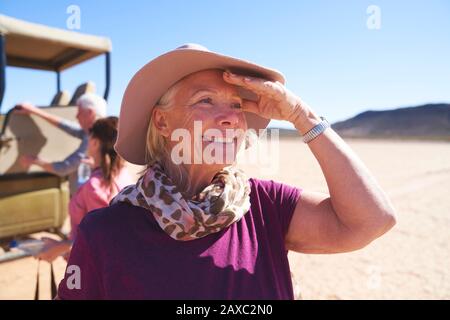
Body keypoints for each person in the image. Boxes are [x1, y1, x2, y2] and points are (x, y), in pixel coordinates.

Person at [57, 44, 397, 299]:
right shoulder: (106, 232)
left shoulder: (265, 206)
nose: (231, 118)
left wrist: (302, 117)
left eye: (236, 105)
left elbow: (372, 220)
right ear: (161, 121)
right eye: (206, 101)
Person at [35, 116, 133, 262]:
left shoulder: (94, 186)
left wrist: (58, 247)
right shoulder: (124, 174)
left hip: (96, 269)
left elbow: (103, 240)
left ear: (94, 142)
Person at [15, 93, 107, 196]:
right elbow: (66, 126)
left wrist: (34, 160)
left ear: (90, 113)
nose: (76, 116)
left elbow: (64, 168)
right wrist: (34, 111)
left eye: (79, 112)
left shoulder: (94, 138)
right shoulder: (96, 132)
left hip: (88, 204)